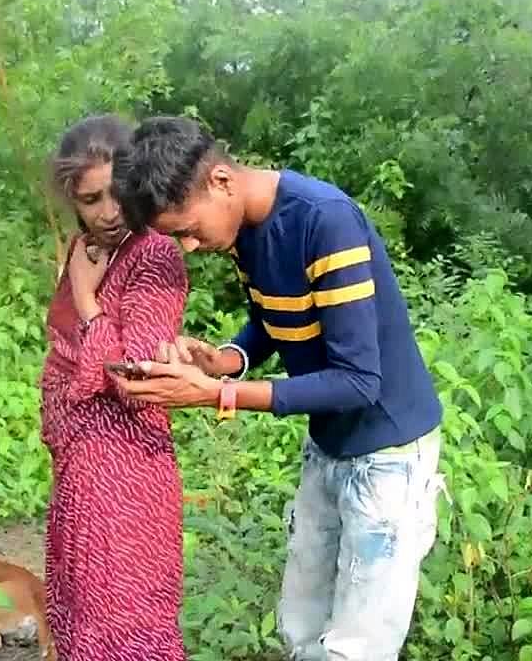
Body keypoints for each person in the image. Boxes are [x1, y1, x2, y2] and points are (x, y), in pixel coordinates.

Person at [106, 115, 448, 661]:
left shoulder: (325, 223)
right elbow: (273, 317)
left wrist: (215, 395)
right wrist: (224, 360)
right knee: (300, 625)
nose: (189, 246)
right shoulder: (244, 230)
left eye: (188, 229)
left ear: (221, 180)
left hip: (388, 455)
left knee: (356, 648)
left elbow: (358, 381)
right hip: (329, 444)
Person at [37, 113, 190, 661]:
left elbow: (138, 379)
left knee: (126, 623)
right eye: (90, 199)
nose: (109, 212)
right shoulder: (88, 249)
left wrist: (86, 300)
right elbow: (62, 354)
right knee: (81, 614)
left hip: (126, 472)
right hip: (80, 470)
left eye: (117, 192)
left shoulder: (154, 255)